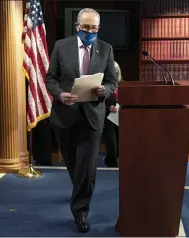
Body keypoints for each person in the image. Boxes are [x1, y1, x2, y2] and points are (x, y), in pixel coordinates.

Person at [45, 8, 117, 233]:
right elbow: (51, 79)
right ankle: (80, 191)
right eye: (86, 27)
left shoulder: (106, 49)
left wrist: (104, 89)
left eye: (94, 28)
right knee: (74, 165)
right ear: (77, 26)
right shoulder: (61, 46)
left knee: (87, 167)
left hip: (93, 117)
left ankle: (81, 212)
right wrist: (60, 94)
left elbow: (113, 81)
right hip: (65, 116)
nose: (90, 31)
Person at [103, 61, 122, 167]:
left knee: (120, 141)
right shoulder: (103, 87)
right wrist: (108, 107)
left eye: (115, 70)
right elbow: (97, 102)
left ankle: (114, 158)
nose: (113, 72)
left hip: (121, 117)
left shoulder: (123, 85)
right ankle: (111, 162)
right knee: (111, 141)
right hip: (108, 117)